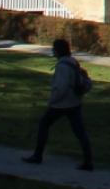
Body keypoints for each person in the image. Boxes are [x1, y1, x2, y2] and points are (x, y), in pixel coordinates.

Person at [21, 38, 93, 170]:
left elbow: (61, 88)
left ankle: (38, 155)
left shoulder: (62, 66)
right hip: (75, 102)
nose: (53, 51)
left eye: (54, 49)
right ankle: (88, 161)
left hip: (61, 104)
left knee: (44, 124)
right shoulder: (72, 62)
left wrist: (52, 100)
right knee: (80, 132)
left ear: (58, 51)